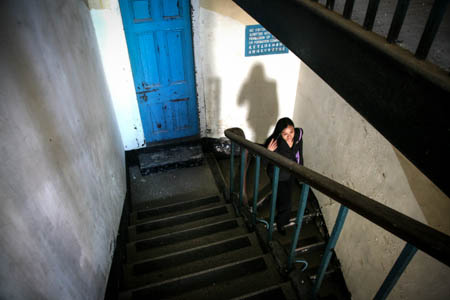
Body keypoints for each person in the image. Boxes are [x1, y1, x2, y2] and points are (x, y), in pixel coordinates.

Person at [264, 117, 303, 235]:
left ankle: (277, 201)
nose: (289, 136)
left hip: (291, 172)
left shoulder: (298, 135)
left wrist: (300, 169)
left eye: (291, 132)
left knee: (287, 194)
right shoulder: (275, 143)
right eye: (285, 134)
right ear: (280, 133)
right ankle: (281, 223)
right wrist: (268, 152)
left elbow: (300, 152)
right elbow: (264, 163)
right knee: (286, 202)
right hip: (278, 175)